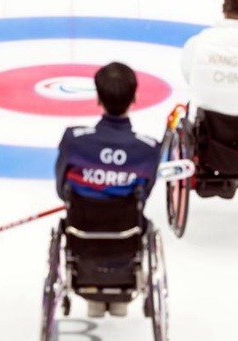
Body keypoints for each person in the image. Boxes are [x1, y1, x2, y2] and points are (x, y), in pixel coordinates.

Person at [56, 62, 161, 319]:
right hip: (127, 233)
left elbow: (62, 190)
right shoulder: (148, 149)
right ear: (134, 98)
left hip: (81, 229)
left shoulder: (75, 140)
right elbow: (143, 195)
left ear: (97, 98)